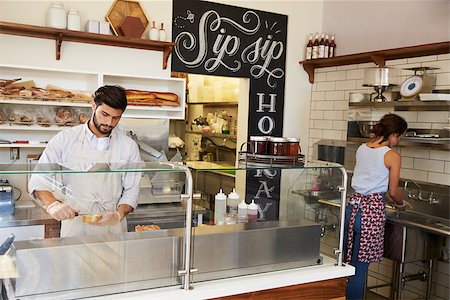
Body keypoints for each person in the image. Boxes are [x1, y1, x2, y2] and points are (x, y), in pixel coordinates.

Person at [29, 85, 141, 237]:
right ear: (93, 106)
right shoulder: (64, 139)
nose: (109, 122)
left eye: (116, 118)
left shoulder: (129, 146)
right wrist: (53, 205)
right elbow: (39, 178)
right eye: (105, 114)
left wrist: (119, 215)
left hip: (112, 226)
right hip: (75, 221)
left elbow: (131, 190)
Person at [343, 113, 411, 300]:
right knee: (360, 267)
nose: (399, 140)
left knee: (346, 264)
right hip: (370, 212)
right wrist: (400, 203)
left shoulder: (362, 148)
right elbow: (394, 191)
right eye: (400, 137)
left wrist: (382, 196)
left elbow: (368, 178)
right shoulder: (392, 155)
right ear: (394, 134)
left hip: (352, 207)